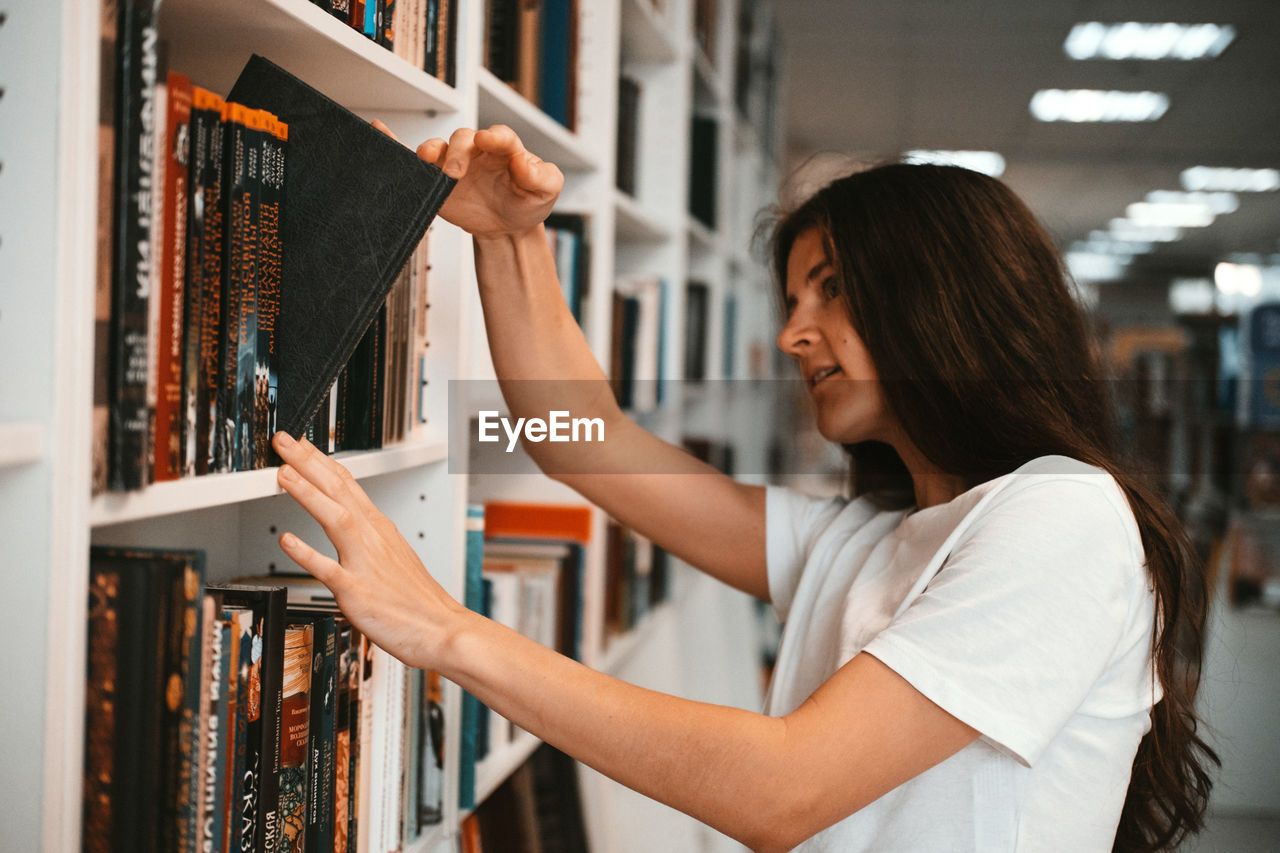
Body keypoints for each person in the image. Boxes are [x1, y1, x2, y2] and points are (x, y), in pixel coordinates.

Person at [270, 125, 1217, 852]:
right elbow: (584, 445)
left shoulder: (1066, 516)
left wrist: (446, 630)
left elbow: (782, 790)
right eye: (794, 300)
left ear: (947, 296)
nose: (797, 334)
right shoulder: (872, 535)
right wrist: (513, 241)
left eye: (833, 289)